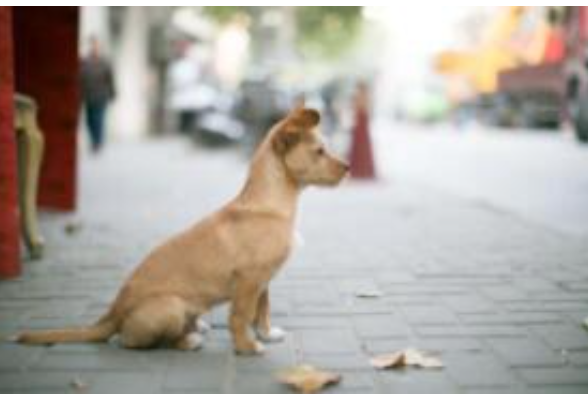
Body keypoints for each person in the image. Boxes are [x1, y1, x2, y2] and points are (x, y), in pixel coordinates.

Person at [80, 37, 116, 154]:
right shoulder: (85, 61)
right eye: (93, 45)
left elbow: (110, 79)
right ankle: (94, 140)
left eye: (96, 45)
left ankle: (98, 142)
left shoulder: (105, 62)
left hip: (101, 96)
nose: (94, 47)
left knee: (99, 119)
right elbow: (80, 78)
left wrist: (113, 93)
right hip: (88, 95)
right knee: (89, 120)